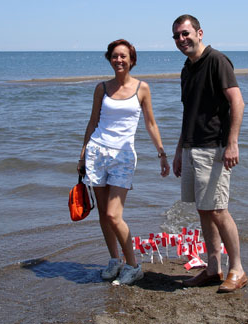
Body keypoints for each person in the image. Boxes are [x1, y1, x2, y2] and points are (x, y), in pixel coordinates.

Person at [77, 39, 170, 286]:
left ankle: (133, 265)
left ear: (132, 60)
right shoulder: (102, 88)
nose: (119, 60)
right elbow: (93, 121)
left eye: (124, 56)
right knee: (103, 216)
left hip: (123, 157)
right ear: (110, 59)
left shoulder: (142, 88)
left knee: (113, 214)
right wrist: (83, 153)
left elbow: (150, 124)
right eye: (115, 56)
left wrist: (161, 153)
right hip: (97, 152)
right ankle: (114, 260)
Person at [171, 15, 247, 293]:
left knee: (218, 210)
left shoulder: (217, 61)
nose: (182, 40)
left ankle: (237, 269)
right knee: (203, 210)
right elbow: (188, 113)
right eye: (177, 36)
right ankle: (213, 269)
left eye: (186, 33)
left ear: (199, 33)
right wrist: (179, 150)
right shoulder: (187, 69)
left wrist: (233, 143)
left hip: (214, 147)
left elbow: (237, 102)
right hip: (192, 147)